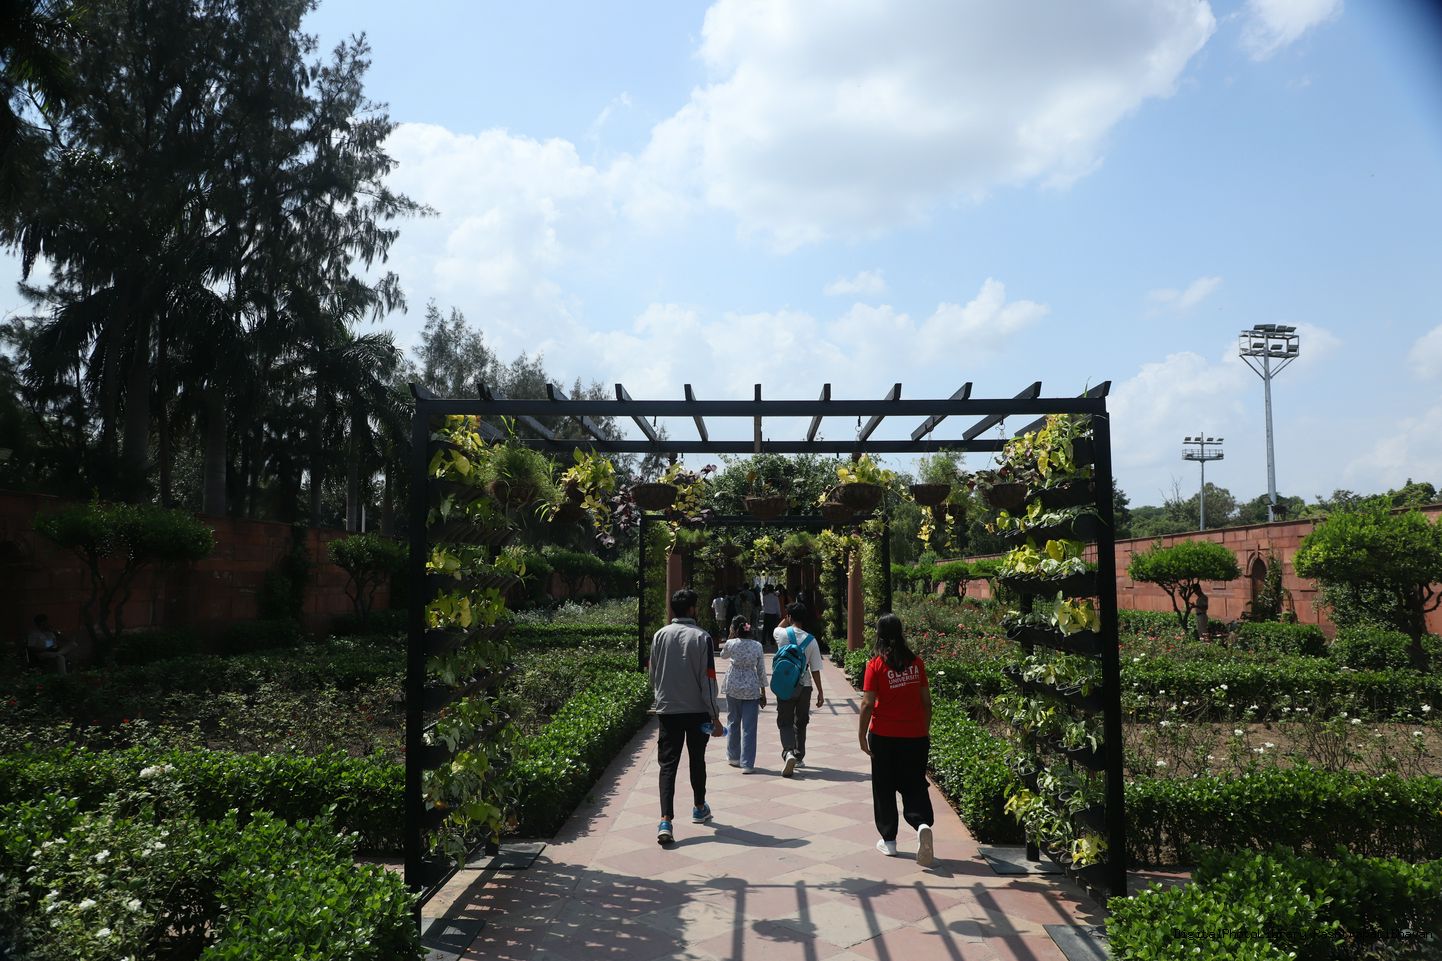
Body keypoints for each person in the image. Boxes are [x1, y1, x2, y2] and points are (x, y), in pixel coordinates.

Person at [858, 613, 935, 867]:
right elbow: (926, 703)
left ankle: (889, 841)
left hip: (883, 736)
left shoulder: (875, 665)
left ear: (878, 635)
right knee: (914, 783)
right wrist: (923, 730)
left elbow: (867, 704)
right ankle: (921, 824)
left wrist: (861, 735)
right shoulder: (917, 664)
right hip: (915, 736)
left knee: (884, 787)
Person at [649, 588, 724, 845]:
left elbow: (653, 674)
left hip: (668, 710)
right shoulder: (702, 638)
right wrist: (715, 715)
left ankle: (665, 821)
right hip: (696, 711)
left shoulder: (659, 636)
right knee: (697, 759)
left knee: (667, 765)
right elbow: (708, 680)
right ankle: (699, 807)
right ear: (692, 609)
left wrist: (662, 698)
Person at [772, 602, 825, 778]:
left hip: (785, 684)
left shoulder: (781, 634)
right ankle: (799, 755)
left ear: (789, 617)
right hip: (805, 686)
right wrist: (820, 692)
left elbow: (777, 627)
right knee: (801, 721)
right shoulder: (811, 640)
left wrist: (786, 619)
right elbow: (815, 669)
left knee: (785, 721)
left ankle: (788, 752)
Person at [719, 614, 767, 773]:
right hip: (751, 688)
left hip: (733, 685)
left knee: (733, 721)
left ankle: (733, 757)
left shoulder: (731, 643)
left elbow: (723, 655)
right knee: (749, 727)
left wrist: (730, 636)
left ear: (736, 630)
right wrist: (763, 692)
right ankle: (747, 763)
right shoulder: (757, 646)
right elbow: (761, 670)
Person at [761, 585, 782, 650]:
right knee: (773, 628)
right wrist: (779, 614)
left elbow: (764, 605)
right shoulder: (775, 597)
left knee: (765, 628)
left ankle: (763, 640)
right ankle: (772, 641)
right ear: (773, 590)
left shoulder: (765, 597)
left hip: (767, 614)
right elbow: (777, 606)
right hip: (773, 614)